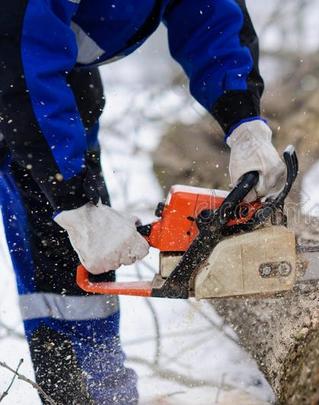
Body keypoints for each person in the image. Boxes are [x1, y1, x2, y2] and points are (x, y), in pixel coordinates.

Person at [0, 1, 284, 403]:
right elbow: (17, 57)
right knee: (57, 234)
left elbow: (209, 12)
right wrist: (73, 200)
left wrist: (243, 121)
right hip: (16, 78)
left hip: (50, 80)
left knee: (79, 257)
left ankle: (104, 390)